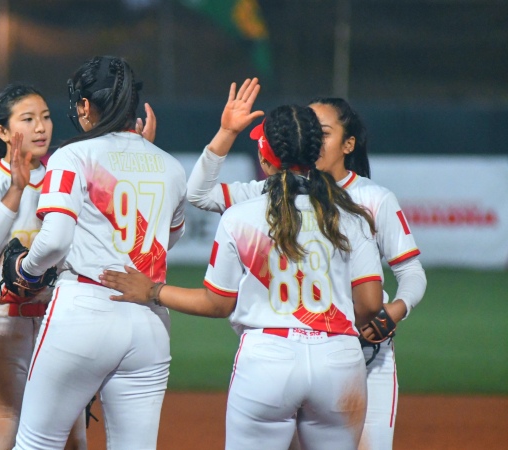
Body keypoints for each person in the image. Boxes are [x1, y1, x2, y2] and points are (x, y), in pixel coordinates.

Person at [100, 100, 387, 449]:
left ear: (264, 159)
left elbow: (217, 303)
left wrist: (152, 292)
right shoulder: (351, 217)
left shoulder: (241, 216)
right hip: (339, 361)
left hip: (267, 360)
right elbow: (371, 304)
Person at [186, 86, 427, 449]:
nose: (312, 135)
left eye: (323, 131)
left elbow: (412, 274)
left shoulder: (373, 199)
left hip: (367, 353)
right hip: (317, 353)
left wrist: (395, 311)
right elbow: (200, 194)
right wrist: (227, 132)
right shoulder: (271, 192)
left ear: (349, 145)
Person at [7, 55, 187, 450]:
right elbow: (167, 239)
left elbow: (54, 241)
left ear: (86, 106)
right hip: (149, 322)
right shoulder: (171, 166)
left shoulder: (72, 155)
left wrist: (28, 268)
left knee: (36, 443)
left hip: (84, 310)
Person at [0, 83, 88, 450]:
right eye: (28, 119)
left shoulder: (65, 182)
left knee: (73, 444)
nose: (41, 128)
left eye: (45, 117)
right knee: (1, 444)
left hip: (55, 329)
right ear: (2, 131)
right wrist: (15, 190)